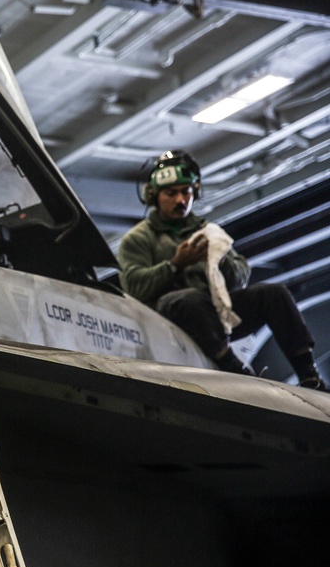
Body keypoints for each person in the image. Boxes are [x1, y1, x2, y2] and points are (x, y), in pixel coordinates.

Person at [117, 150, 324, 390]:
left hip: (214, 316)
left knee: (273, 293)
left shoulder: (208, 231)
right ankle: (232, 365)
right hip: (168, 318)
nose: (180, 200)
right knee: (189, 299)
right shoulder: (137, 239)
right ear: (154, 197)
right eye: (171, 193)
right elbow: (133, 288)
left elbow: (240, 278)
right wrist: (175, 265)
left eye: (186, 192)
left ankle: (309, 374)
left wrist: (220, 260)